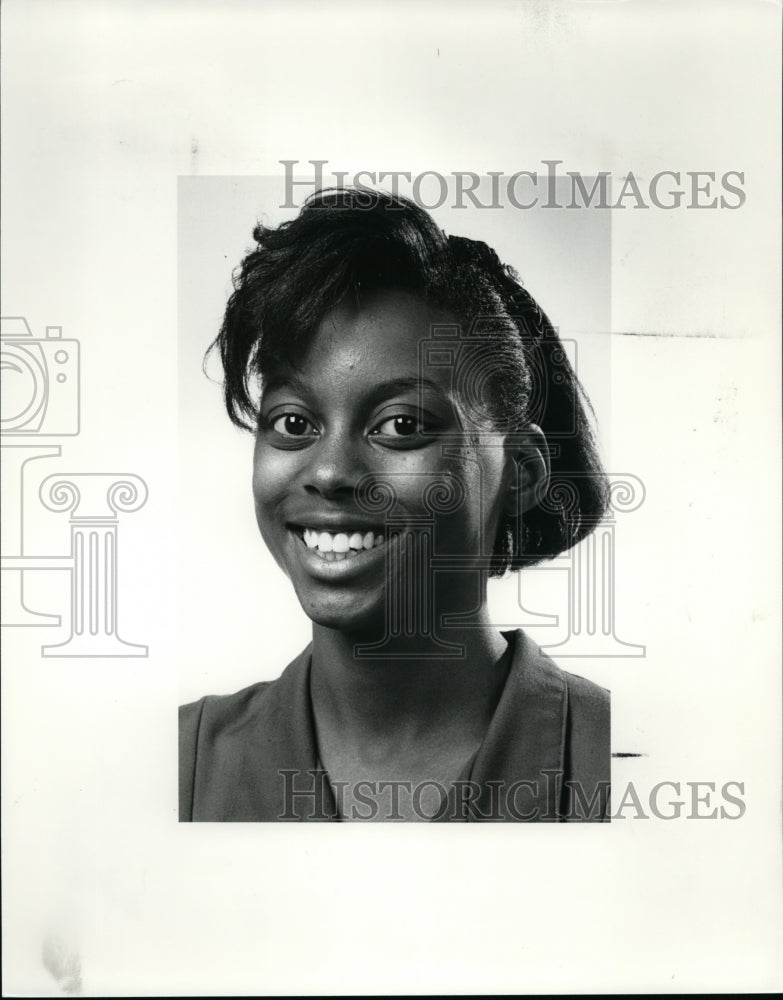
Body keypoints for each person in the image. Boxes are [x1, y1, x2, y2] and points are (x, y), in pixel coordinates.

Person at [179, 188, 610, 822]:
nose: (328, 472)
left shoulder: (624, 760)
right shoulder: (180, 762)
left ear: (521, 470)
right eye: (294, 423)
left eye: (401, 426)